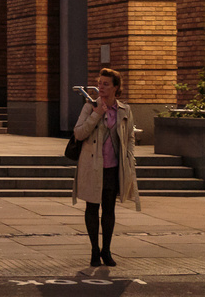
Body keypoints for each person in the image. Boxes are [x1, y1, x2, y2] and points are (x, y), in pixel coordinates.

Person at [72, 67, 141, 267]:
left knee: (109, 209)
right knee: (92, 207)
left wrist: (129, 157)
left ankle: (106, 251)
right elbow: (79, 133)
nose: (100, 87)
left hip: (113, 167)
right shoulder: (89, 107)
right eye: (99, 83)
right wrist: (95, 115)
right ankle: (94, 251)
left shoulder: (124, 110)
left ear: (115, 88)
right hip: (93, 166)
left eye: (105, 84)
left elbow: (130, 137)